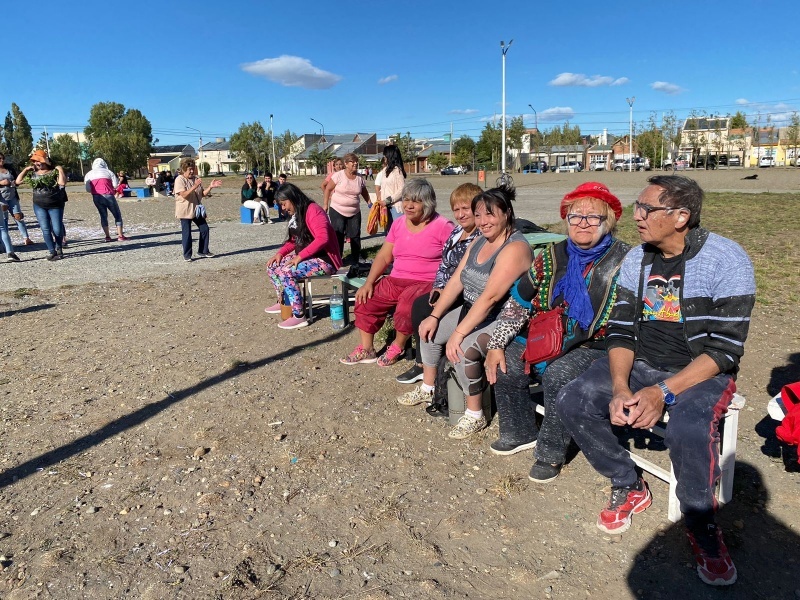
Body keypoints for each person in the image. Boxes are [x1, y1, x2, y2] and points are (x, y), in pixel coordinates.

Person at [556, 176, 755, 586]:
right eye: (637, 207)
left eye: (648, 209)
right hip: (643, 362)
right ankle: (628, 483)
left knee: (688, 431)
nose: (637, 216)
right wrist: (623, 385)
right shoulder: (638, 259)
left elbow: (724, 351)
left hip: (700, 370)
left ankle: (702, 527)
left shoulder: (726, 260)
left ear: (681, 217)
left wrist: (662, 392)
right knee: (573, 400)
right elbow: (621, 331)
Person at [483, 182, 630, 484]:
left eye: (593, 217)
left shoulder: (626, 260)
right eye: (576, 216)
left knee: (560, 374)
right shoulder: (551, 256)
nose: (583, 223)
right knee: (507, 359)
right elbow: (520, 301)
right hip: (545, 335)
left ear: (608, 222)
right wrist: (497, 343)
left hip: (596, 345)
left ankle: (550, 451)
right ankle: (519, 431)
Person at [403, 185, 532, 439]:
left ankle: (475, 414)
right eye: (479, 215)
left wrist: (459, 333)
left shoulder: (515, 248)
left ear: (507, 213)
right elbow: (456, 282)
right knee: (430, 330)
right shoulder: (479, 239)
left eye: (490, 214)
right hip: (472, 307)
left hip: (502, 316)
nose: (483, 222)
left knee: (463, 350)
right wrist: (434, 315)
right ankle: (428, 387)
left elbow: (491, 297)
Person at [340, 178, 454, 367]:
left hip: (424, 282)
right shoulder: (399, 223)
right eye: (406, 199)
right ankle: (367, 349)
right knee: (366, 298)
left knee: (406, 307)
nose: (408, 205)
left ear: (427, 203)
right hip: (396, 278)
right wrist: (369, 282)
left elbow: (453, 261)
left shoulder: (443, 226)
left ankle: (397, 345)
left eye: (415, 201)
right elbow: (384, 256)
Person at [395, 183, 482, 392]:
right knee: (421, 304)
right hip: (447, 287)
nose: (460, 215)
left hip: (466, 293)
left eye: (465, 209)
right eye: (456, 209)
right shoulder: (457, 232)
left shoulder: (479, 236)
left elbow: (467, 275)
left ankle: (425, 365)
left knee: (423, 308)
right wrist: (438, 287)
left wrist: (447, 291)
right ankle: (423, 362)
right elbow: (444, 264)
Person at [264, 184, 343, 329]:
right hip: (309, 257)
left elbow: (322, 238)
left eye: (284, 204)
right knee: (273, 266)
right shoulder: (297, 214)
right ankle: (284, 302)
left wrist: (299, 257)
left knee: (286, 271)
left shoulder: (313, 210)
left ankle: (299, 315)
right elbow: (293, 241)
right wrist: (280, 254)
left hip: (325, 260)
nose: (283, 208)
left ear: (292, 198)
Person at [15, 149, 66, 261]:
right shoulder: (32, 174)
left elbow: (62, 183)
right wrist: (25, 169)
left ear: (45, 161)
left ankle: (59, 248)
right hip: (39, 205)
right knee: (45, 229)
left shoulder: (54, 172)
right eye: (35, 161)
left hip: (55, 205)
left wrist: (60, 170)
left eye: (39, 161)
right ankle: (52, 251)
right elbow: (18, 182)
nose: (37, 163)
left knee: (57, 229)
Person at [323, 153, 372, 266]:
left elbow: (364, 191)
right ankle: (337, 259)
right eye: (352, 162)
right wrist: (325, 204)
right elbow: (327, 189)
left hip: (354, 211)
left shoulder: (359, 178)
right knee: (338, 234)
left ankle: (356, 258)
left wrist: (369, 203)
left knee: (355, 235)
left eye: (356, 161)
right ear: (346, 164)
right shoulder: (338, 176)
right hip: (337, 210)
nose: (355, 163)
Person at [173, 157, 222, 262]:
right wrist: (194, 186)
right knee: (187, 233)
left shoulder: (196, 178)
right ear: (183, 169)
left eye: (193, 169)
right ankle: (187, 255)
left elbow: (202, 194)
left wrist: (211, 187)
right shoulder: (179, 179)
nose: (191, 171)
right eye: (189, 169)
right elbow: (184, 195)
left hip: (197, 209)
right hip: (185, 210)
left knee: (204, 228)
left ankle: (203, 250)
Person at [84, 158, 129, 242]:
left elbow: (87, 189)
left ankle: (107, 236)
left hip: (96, 197)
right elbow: (115, 185)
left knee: (103, 216)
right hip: (108, 195)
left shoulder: (88, 174)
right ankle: (120, 235)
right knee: (117, 215)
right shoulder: (108, 172)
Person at [0, 152, 34, 248]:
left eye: (3, 158)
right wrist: (1, 183)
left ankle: (26, 238)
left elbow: (16, 180)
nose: (2, 160)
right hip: (1, 199)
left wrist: (18, 182)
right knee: (4, 220)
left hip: (13, 197)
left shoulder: (9, 169)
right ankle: (6, 243)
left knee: (18, 217)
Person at [379, 145, 407, 231]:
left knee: (398, 230)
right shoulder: (385, 170)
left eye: (385, 155)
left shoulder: (397, 171)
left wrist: (387, 200)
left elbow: (401, 190)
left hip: (395, 207)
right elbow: (383, 187)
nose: (384, 158)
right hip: (385, 207)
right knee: (388, 232)